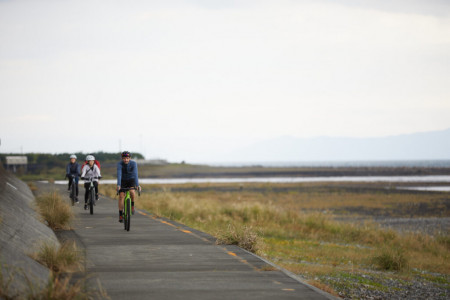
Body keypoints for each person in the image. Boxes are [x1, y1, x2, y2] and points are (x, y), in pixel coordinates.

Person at [117, 151, 140, 223]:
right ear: (122, 158)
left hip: (131, 179)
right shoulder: (120, 164)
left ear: (130, 158)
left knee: (132, 192)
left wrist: (137, 185)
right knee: (121, 196)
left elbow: (135, 174)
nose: (126, 160)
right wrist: (118, 185)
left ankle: (132, 205)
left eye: (127, 158)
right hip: (123, 180)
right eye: (124, 158)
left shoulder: (133, 163)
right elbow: (119, 174)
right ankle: (120, 214)